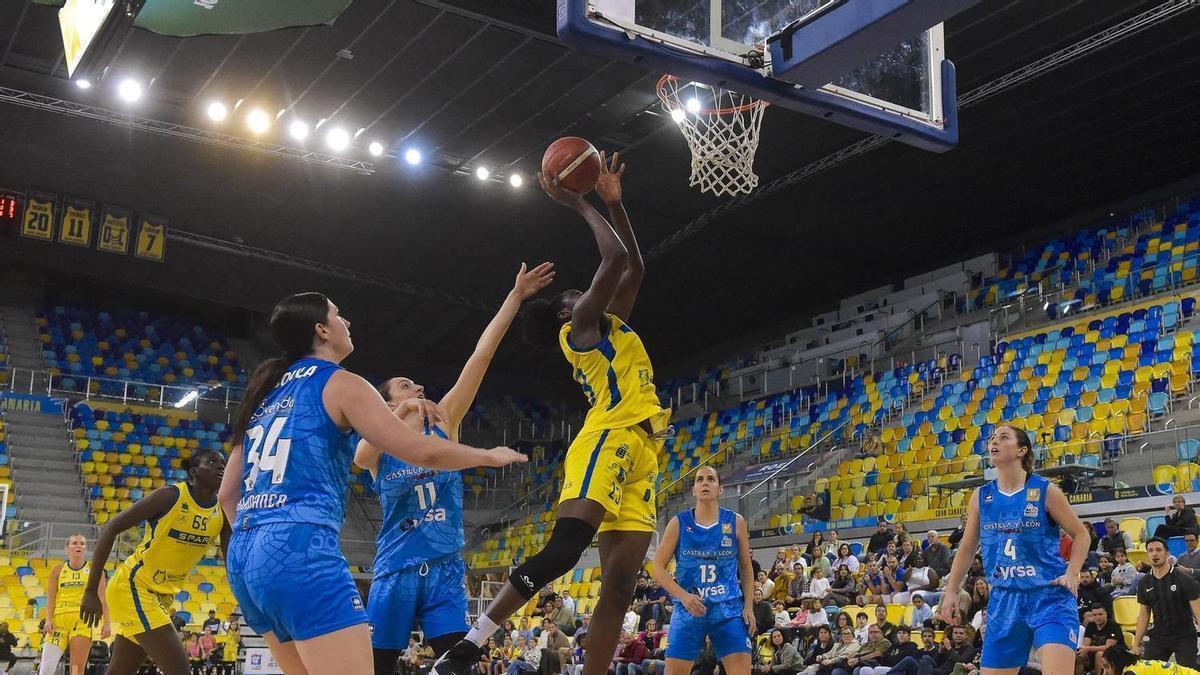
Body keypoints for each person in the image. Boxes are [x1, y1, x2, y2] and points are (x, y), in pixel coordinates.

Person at [213, 294, 525, 675]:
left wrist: (259, 539)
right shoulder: (342, 384)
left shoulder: (266, 391)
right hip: (307, 548)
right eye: (339, 314)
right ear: (321, 329)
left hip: (247, 553)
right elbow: (420, 453)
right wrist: (487, 456)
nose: (347, 322)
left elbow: (228, 494)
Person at [438, 155, 666, 675]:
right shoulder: (580, 328)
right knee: (565, 550)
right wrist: (579, 202)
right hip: (607, 438)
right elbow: (610, 262)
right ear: (568, 311)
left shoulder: (608, 326)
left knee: (618, 590)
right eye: (578, 295)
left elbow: (634, 268)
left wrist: (616, 202)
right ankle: (471, 644)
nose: (588, 295)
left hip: (643, 452)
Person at [358, 261, 553, 671]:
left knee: (457, 665)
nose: (419, 389)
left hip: (445, 568)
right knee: (378, 668)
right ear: (390, 402)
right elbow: (360, 457)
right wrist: (402, 411)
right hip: (394, 570)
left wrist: (515, 296)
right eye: (407, 387)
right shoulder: (378, 441)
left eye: (418, 385)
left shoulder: (446, 419)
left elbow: (480, 356)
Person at [940, 424, 1091, 675]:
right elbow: (967, 547)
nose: (993, 442)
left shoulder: (1045, 491)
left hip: (1048, 595)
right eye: (992, 438)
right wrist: (951, 591)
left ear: (1022, 450)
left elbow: (1082, 534)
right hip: (1004, 599)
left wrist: (1073, 572)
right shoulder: (981, 496)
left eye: (1003, 437)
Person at [77, 448, 228, 675]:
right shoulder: (170, 496)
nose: (221, 466)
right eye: (213, 461)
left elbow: (231, 560)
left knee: (120, 670)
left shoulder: (222, 512)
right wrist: (90, 590)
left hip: (161, 597)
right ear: (194, 471)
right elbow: (111, 528)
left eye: (223, 463)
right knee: (180, 670)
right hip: (134, 587)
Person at [651, 467, 755, 675]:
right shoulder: (678, 523)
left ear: (720, 489)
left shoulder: (736, 521)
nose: (705, 483)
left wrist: (749, 606)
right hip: (689, 609)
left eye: (710, 479)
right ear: (694, 490)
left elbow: (745, 566)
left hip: (728, 608)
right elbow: (657, 568)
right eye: (699, 480)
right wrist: (683, 595)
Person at [41, 534, 110, 675]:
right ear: (67, 548)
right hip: (58, 622)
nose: (78, 546)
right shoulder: (58, 570)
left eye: (82, 544)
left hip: (82, 621)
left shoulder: (95, 571)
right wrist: (48, 619)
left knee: (76, 670)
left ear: (85, 549)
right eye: (74, 543)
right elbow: (51, 598)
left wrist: (107, 623)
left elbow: (103, 599)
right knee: (46, 669)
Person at [1133, 537, 1200, 667]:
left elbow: (1198, 612)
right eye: (1151, 551)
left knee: (1187, 671)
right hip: (1159, 635)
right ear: (1147, 555)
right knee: (1147, 670)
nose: (1155, 554)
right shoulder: (1144, 583)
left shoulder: (1184, 579)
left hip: (1184, 635)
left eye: (1158, 550)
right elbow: (1144, 616)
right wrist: (1136, 644)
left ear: (1167, 554)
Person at [1079, 605, 1121, 675]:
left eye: (1100, 614)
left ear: (1106, 614)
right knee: (1079, 654)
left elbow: (1108, 647)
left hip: (1116, 653)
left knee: (1100, 654)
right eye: (1094, 615)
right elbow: (1086, 643)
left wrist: (1087, 648)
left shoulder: (1113, 626)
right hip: (1094, 652)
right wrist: (1083, 650)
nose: (1097, 617)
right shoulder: (1090, 625)